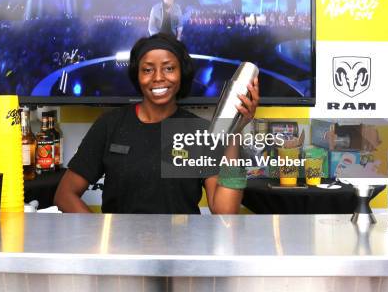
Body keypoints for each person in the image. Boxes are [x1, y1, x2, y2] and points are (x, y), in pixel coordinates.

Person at [54, 33, 260, 214]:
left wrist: (235, 132)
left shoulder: (198, 132)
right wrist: (102, 240)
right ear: (137, 75)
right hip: (122, 252)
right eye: (147, 70)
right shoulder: (110, 125)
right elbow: (65, 195)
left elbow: (225, 210)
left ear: (182, 73)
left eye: (169, 68)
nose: (159, 78)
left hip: (181, 249)